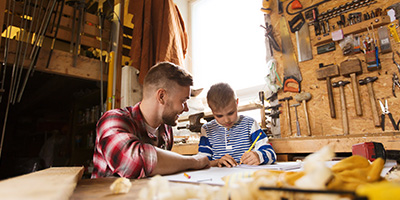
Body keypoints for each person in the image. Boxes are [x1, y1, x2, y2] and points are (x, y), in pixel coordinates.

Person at [92, 62, 210, 179]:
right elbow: (135, 163)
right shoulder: (113, 120)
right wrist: (195, 161)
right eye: (183, 101)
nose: (186, 108)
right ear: (161, 96)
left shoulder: (166, 130)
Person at [198, 83, 276, 167]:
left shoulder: (250, 124)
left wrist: (259, 156)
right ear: (211, 110)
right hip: (217, 178)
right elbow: (202, 162)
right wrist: (217, 162)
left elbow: (271, 154)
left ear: (237, 103)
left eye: (231, 113)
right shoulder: (207, 130)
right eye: (219, 116)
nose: (227, 120)